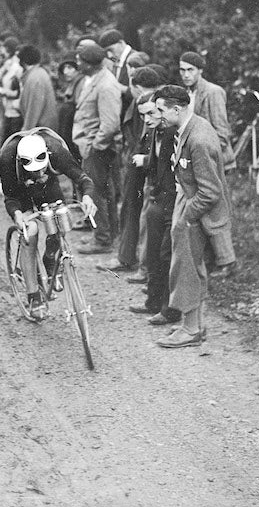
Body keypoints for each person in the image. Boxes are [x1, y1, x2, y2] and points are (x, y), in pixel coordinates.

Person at [152, 85, 231, 348]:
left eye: (161, 110)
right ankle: (194, 324)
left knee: (187, 268)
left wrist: (186, 215)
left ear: (177, 109)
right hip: (188, 201)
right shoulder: (189, 127)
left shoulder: (198, 139)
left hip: (195, 208)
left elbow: (211, 192)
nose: (158, 115)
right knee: (188, 267)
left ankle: (191, 329)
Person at [0, 129, 97, 320]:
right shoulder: (7, 159)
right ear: (21, 162)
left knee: (59, 217)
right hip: (20, 189)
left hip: (47, 185)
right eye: (34, 170)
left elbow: (83, 179)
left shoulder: (56, 150)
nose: (39, 172)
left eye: (41, 168)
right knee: (31, 231)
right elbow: (10, 198)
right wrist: (18, 215)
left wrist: (87, 197)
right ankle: (34, 296)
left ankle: (51, 262)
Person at [178, 51, 238, 278]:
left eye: (190, 70)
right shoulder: (186, 93)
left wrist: (209, 157)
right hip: (195, 159)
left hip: (216, 160)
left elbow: (223, 133)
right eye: (182, 70)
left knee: (216, 209)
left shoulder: (212, 92)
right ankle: (211, 259)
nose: (185, 75)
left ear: (200, 71)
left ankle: (228, 261)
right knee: (201, 208)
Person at [127, 93, 179, 321]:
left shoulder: (173, 134)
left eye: (151, 113)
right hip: (159, 197)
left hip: (174, 199)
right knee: (153, 252)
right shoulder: (154, 133)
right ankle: (153, 302)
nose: (147, 119)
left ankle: (169, 310)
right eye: (143, 115)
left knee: (167, 254)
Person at [108, 66, 162, 273]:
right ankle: (129, 257)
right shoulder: (154, 102)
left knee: (138, 211)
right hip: (140, 162)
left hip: (145, 164)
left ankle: (135, 261)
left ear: (137, 87)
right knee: (134, 209)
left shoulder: (150, 104)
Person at [72, 44, 122, 254]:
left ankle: (102, 239)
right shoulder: (94, 79)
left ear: (90, 64)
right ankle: (108, 234)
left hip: (98, 148)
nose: (77, 63)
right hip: (92, 146)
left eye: (80, 60)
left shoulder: (106, 85)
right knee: (103, 190)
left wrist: (94, 146)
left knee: (96, 192)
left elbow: (110, 124)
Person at [17, 44, 58, 131]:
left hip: (41, 130)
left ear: (23, 61)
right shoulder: (38, 73)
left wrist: (26, 132)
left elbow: (33, 110)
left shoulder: (35, 79)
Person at [0, 38, 23, 141]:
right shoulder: (9, 64)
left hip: (16, 111)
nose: (1, 50)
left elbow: (19, 92)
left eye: (3, 48)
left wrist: (3, 92)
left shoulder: (18, 68)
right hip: (8, 110)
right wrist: (3, 66)